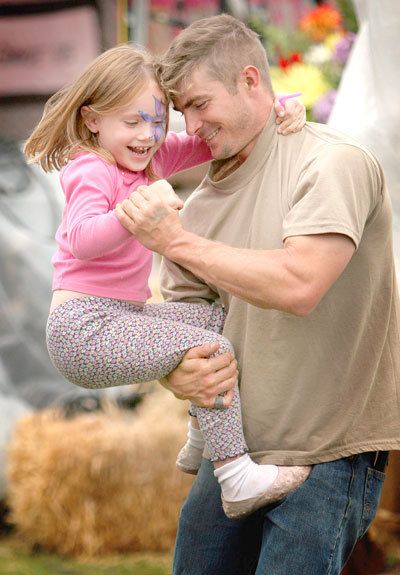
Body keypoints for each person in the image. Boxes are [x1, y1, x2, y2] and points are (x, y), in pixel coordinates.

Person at [116, 15, 400, 575]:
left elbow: (301, 284)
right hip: (234, 460)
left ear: (250, 80)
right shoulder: (198, 205)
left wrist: (177, 243)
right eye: (182, 111)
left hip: (327, 454)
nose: (191, 125)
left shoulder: (332, 163)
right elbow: (185, 326)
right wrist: (177, 373)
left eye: (200, 103)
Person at [24, 43, 309, 519]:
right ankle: (236, 476)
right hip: (83, 329)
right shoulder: (91, 168)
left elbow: (213, 139)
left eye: (157, 121)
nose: (147, 135)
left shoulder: (151, 159)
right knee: (212, 349)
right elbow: (80, 238)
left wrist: (281, 106)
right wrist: (137, 213)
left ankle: (204, 433)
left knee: (221, 318)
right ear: (93, 119)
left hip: (120, 316)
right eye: (132, 122)